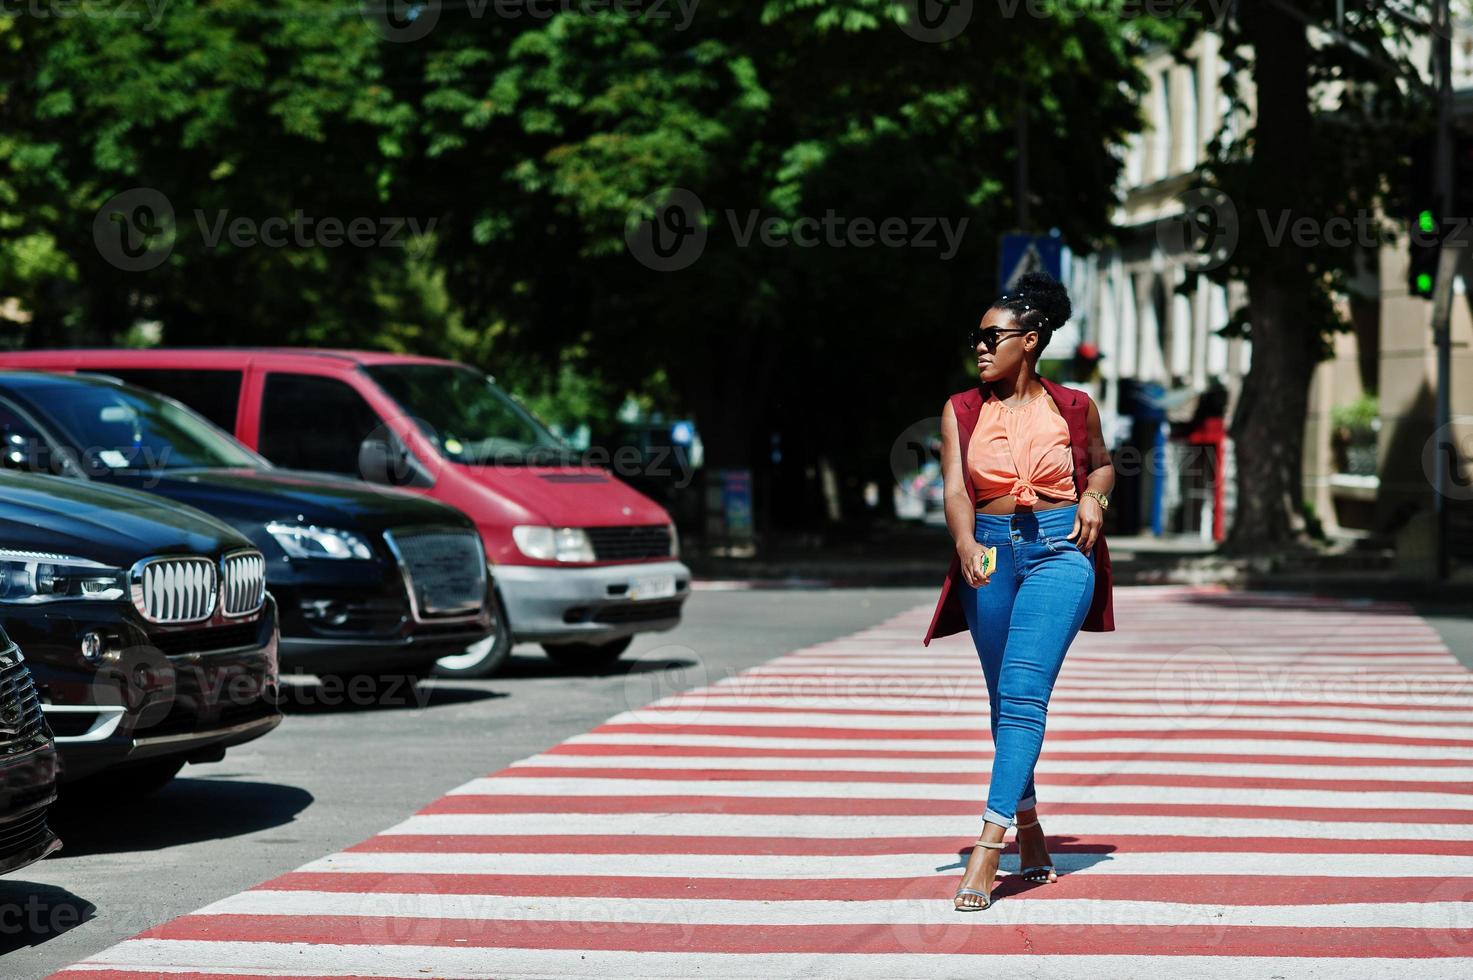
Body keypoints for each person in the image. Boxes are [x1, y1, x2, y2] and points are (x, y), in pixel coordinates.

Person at [920, 271, 1117, 911]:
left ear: (1029, 342)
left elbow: (1104, 462)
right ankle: (1030, 829)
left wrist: (1093, 495)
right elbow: (955, 488)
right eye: (975, 337)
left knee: (1025, 693)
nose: (979, 347)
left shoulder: (1075, 405)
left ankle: (988, 844)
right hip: (991, 553)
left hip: (1062, 551)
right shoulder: (962, 409)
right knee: (1006, 702)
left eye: (991, 336)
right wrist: (965, 544)